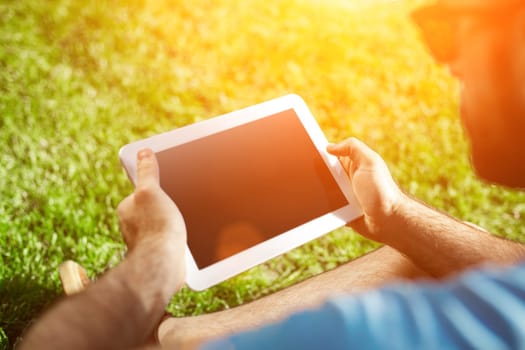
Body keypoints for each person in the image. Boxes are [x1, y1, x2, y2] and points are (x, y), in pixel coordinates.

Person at [19, 0, 525, 349]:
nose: (448, 52)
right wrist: (393, 215)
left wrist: (155, 261)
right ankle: (165, 336)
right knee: (436, 254)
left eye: (465, 17)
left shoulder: (391, 331)